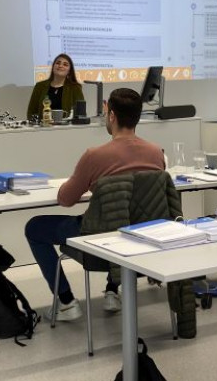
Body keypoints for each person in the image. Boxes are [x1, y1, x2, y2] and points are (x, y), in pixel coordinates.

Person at [24, 88, 164, 319]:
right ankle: (112, 290)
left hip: (100, 242)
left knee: (34, 228)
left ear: (111, 115)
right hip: (143, 241)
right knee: (125, 220)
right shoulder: (156, 153)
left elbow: (65, 199)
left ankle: (66, 302)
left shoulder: (95, 155)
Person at [26, 53, 85, 122]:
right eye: (58, 63)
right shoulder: (40, 86)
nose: (60, 66)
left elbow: (81, 114)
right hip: (43, 126)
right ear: (53, 67)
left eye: (65, 64)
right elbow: (31, 112)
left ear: (69, 71)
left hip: (67, 127)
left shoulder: (75, 88)